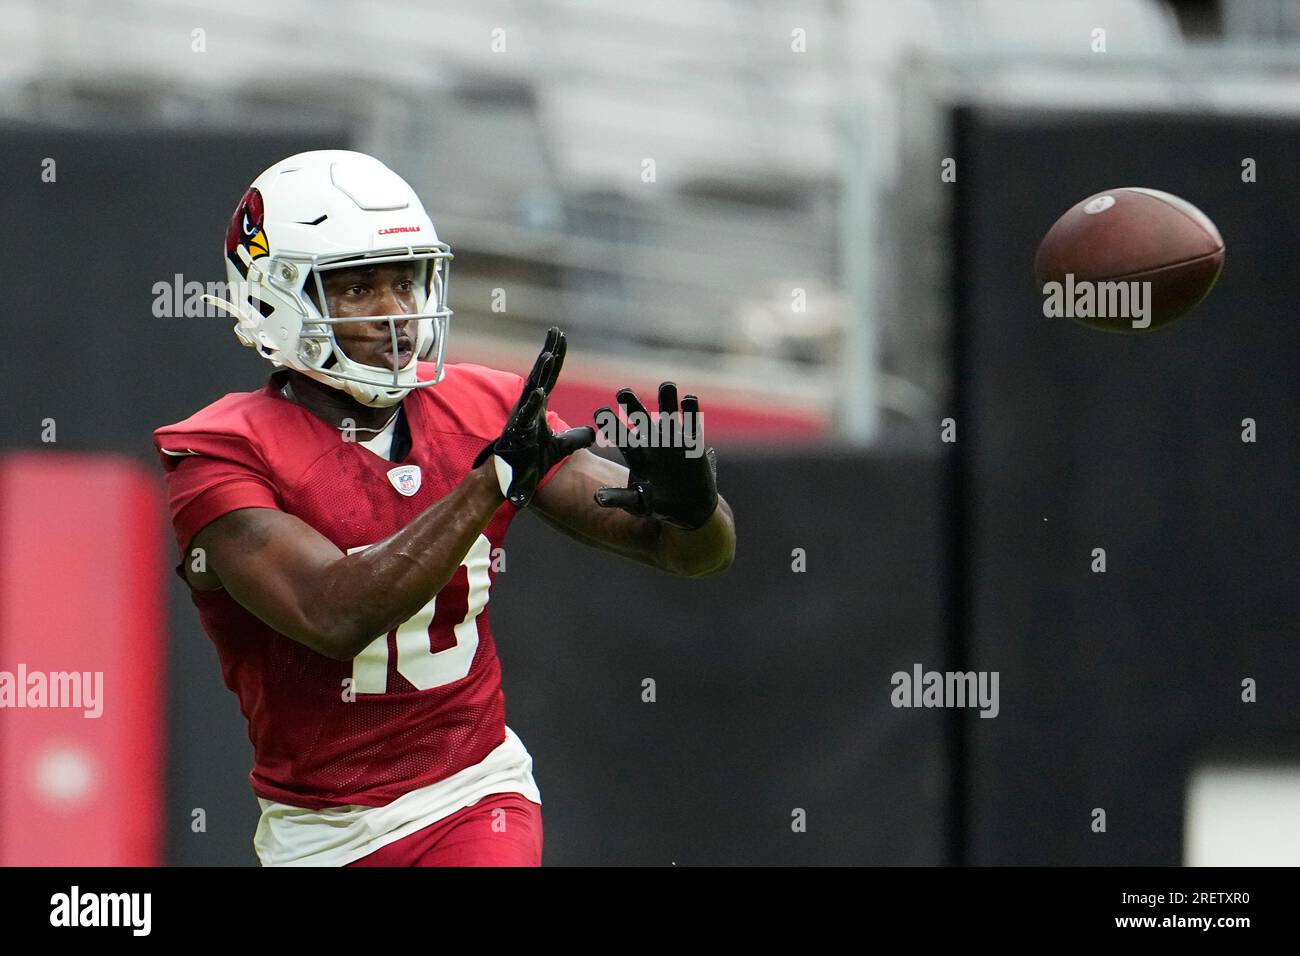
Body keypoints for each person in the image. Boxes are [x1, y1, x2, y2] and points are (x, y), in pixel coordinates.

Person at [153, 150, 735, 866]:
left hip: (472, 793)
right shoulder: (219, 454)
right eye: (358, 287)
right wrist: (488, 481)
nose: (397, 312)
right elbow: (336, 616)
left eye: (404, 280)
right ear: (275, 294)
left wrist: (697, 509)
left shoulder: (482, 406)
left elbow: (685, 555)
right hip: (319, 834)